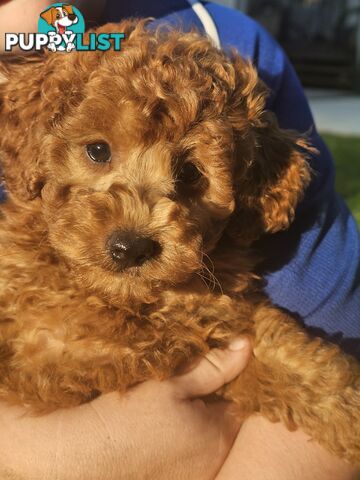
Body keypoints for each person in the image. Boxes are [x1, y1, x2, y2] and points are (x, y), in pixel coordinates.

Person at [0, 0, 359, 479]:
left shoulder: (229, 35)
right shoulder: (16, 256)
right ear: (33, 144)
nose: (133, 227)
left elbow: (328, 382)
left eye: (191, 175)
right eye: (98, 151)